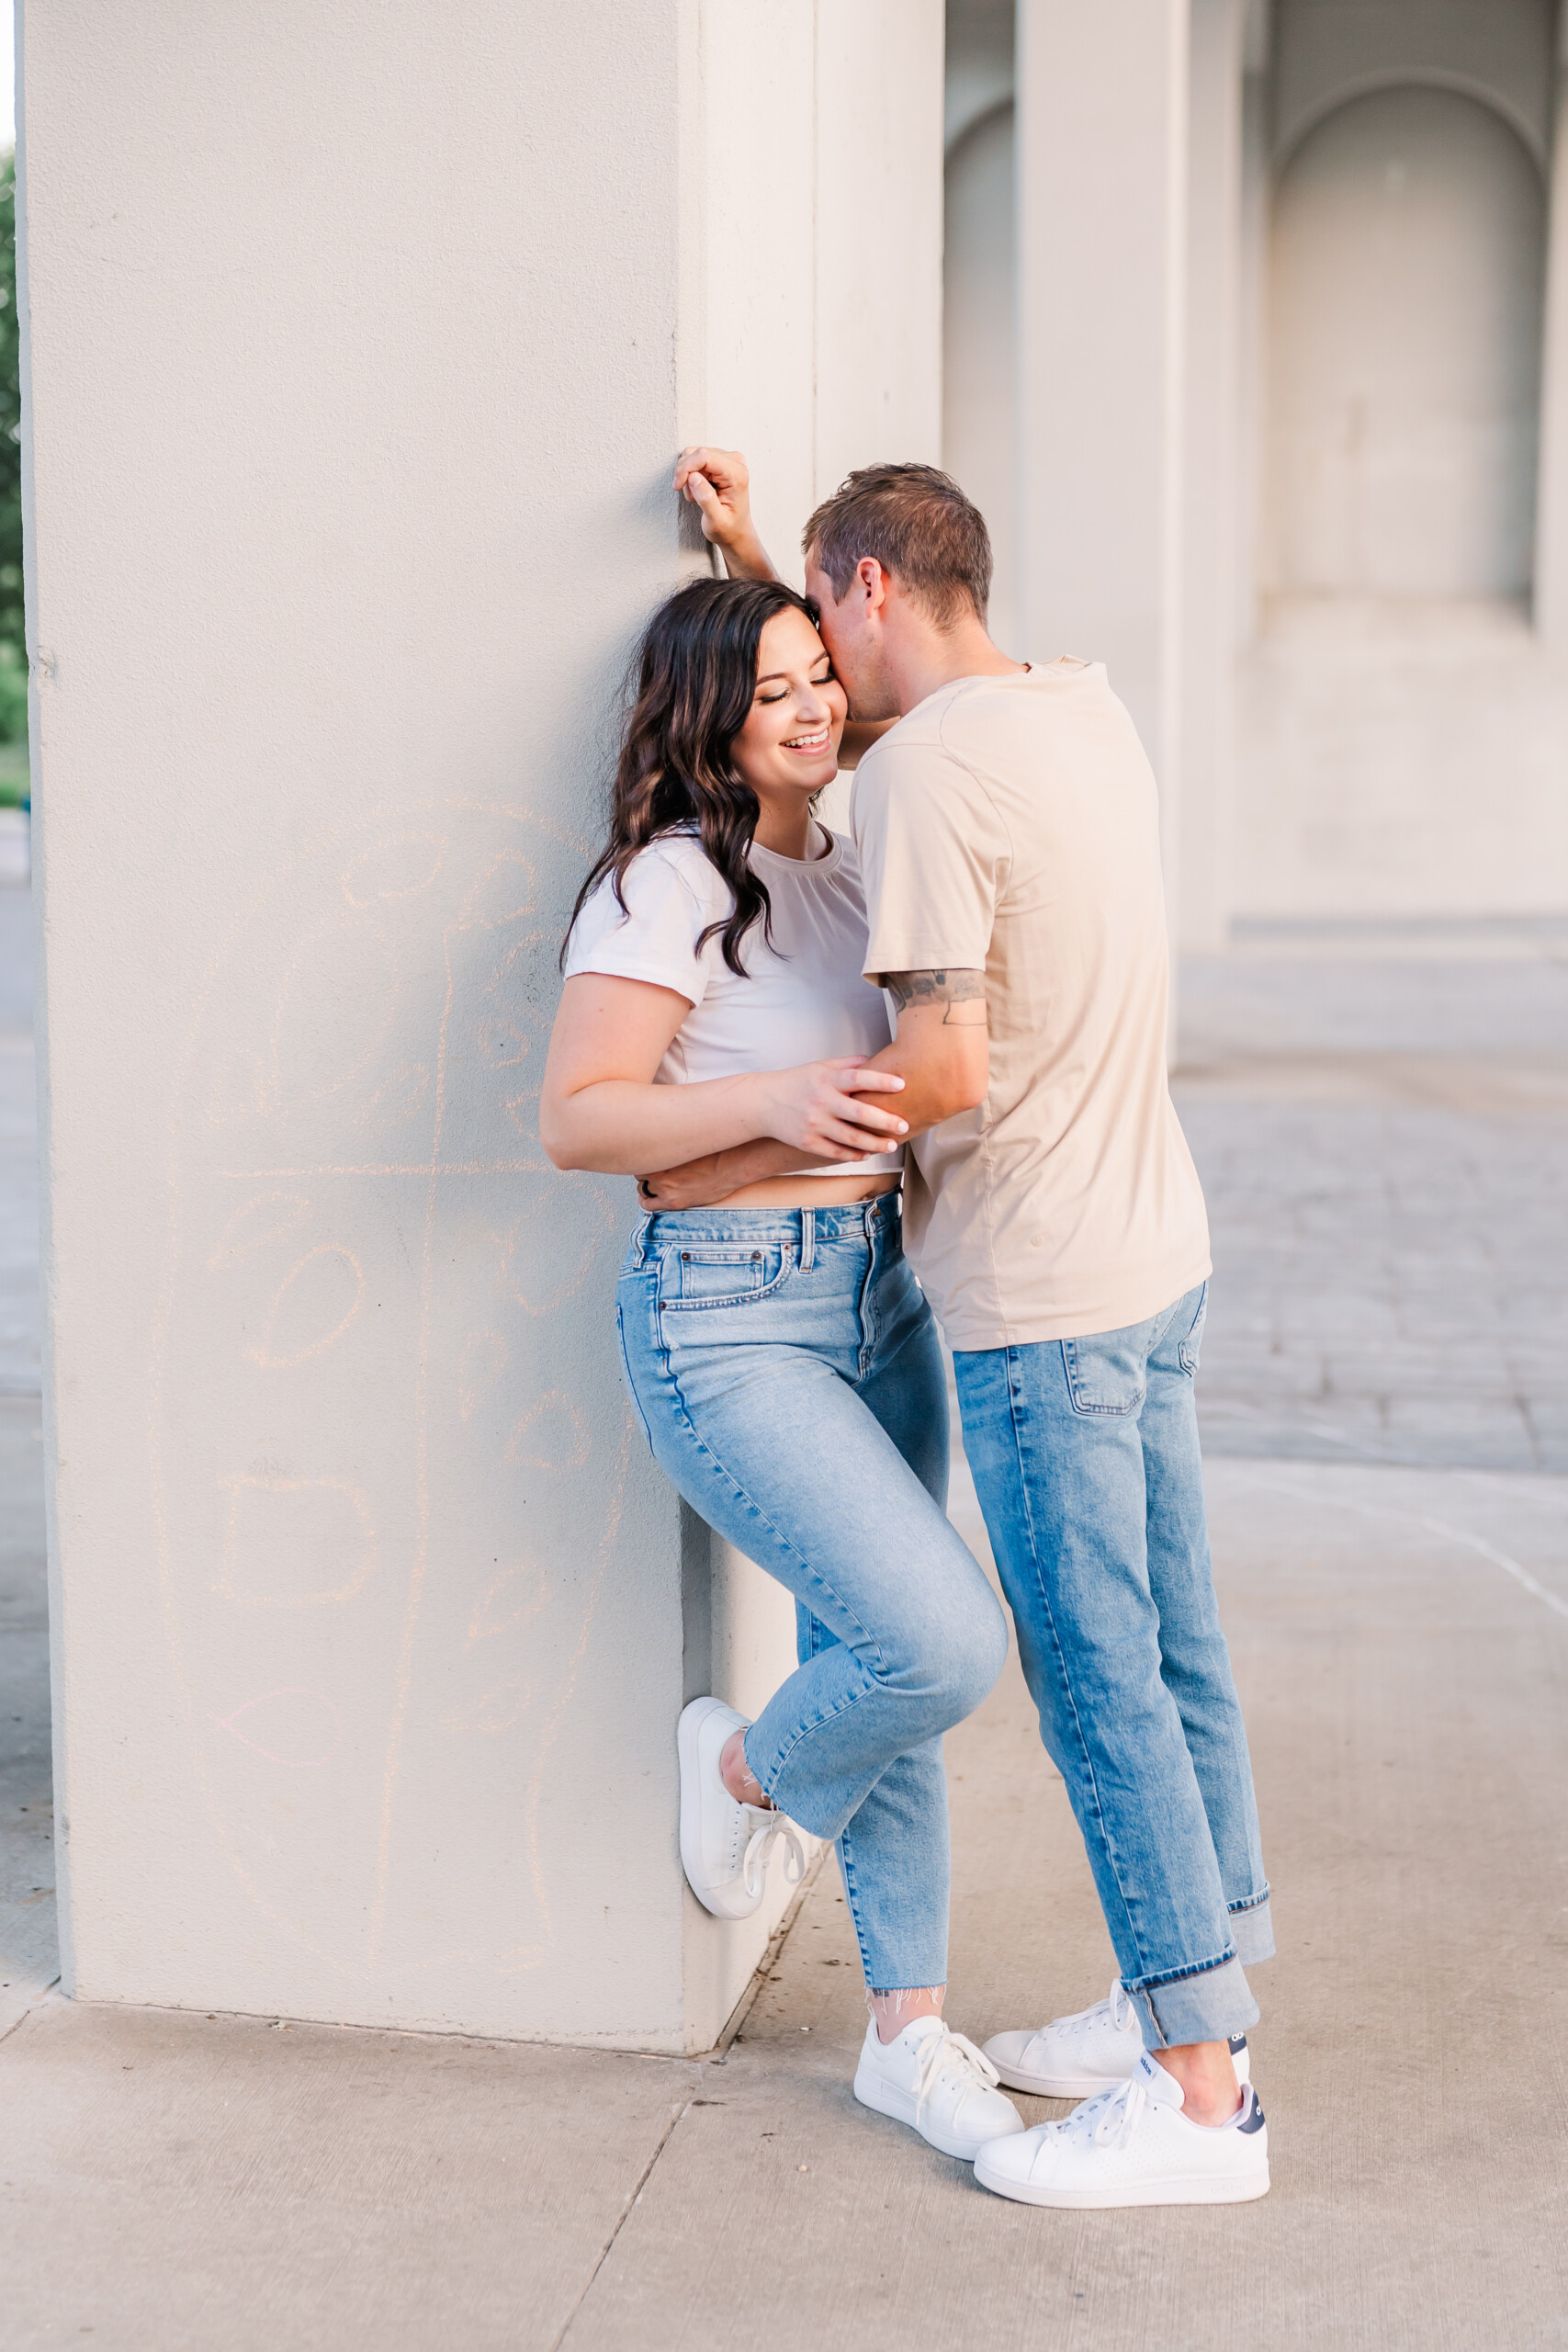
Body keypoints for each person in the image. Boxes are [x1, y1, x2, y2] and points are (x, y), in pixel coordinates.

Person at [643, 448, 1274, 2210]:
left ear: (864, 602)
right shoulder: (1078, 710)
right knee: (1184, 1657)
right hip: (1160, 1248)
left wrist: (725, 1151)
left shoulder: (920, 774)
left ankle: (1200, 2101)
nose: (820, 696)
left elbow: (937, 1070)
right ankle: (1210, 1987)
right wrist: (771, 559)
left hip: (1046, 1297)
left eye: (819, 637)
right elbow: (903, 740)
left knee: (1095, 1689)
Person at [540, 572, 1024, 2165]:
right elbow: (581, 1121)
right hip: (730, 1317)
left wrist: (759, 550)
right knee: (935, 1641)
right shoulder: (668, 882)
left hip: (878, 1291)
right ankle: (745, 1771)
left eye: (821, 672)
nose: (817, 707)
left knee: (877, 1648)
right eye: (773, 691)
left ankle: (908, 2030)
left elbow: (911, 682)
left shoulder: (854, 847)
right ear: (706, 720)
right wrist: (778, 1106)